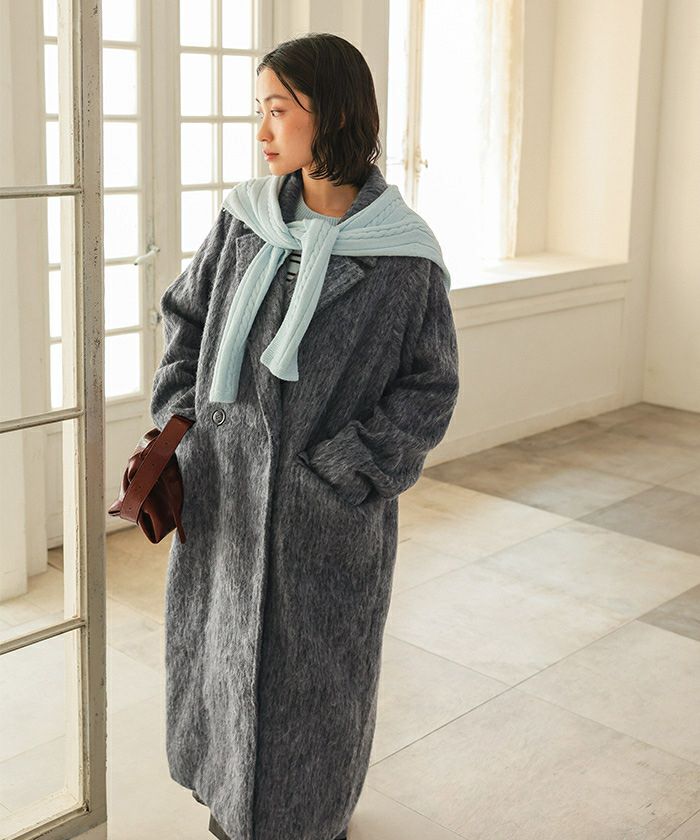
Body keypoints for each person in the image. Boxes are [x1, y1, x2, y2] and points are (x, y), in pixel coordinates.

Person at [150, 32, 460, 840]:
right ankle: (231, 813)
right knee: (220, 665)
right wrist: (183, 425)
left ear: (335, 114)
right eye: (260, 110)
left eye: (279, 110)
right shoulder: (243, 221)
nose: (263, 131)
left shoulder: (403, 255)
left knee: (317, 688)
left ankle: (311, 821)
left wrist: (345, 470)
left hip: (325, 522)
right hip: (224, 497)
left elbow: (430, 386)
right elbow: (185, 319)